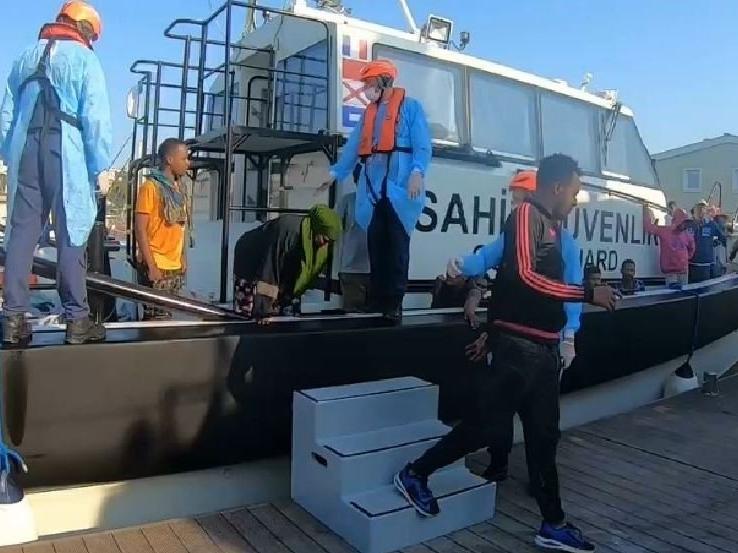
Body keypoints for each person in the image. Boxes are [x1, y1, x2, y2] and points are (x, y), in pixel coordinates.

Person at [395, 154, 617, 552]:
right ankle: (415, 473)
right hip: (519, 350)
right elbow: (526, 277)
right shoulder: (525, 217)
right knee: (485, 426)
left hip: (543, 350)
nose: (575, 200)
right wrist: (587, 293)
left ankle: (552, 523)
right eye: (574, 192)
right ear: (556, 187)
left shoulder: (555, 229)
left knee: (544, 436)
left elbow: (518, 284)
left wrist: (566, 336)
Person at [449, 169, 583, 483]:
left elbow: (573, 290)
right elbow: (485, 258)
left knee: (542, 423)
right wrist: (461, 263)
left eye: (518, 198)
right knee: (500, 412)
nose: (515, 204)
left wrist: (569, 335)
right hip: (513, 341)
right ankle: (499, 464)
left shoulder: (565, 243)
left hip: (544, 345)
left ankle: (539, 480)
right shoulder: (514, 234)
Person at [0, 1, 113, 345]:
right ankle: (77, 321)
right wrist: (99, 165)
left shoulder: (25, 56)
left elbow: (6, 115)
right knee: (71, 234)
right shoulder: (85, 59)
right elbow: (95, 118)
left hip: (25, 151)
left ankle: (13, 320)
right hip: (66, 152)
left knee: (21, 236)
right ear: (85, 30)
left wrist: (10, 155)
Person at [317, 59, 432, 321]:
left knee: (398, 250)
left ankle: (394, 304)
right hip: (372, 192)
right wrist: (334, 174)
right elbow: (353, 148)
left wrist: (417, 173)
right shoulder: (368, 114)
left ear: (384, 81)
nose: (366, 89)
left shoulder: (411, 108)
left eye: (369, 83)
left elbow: (423, 145)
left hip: (399, 191)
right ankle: (378, 301)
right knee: (376, 248)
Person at [232, 205, 342, 321]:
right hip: (251, 259)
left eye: (330, 242)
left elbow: (299, 276)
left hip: (279, 267)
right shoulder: (288, 231)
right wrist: (264, 311)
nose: (325, 244)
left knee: (285, 316)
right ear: (317, 229)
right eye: (325, 239)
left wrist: (286, 299)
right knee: (251, 315)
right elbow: (270, 270)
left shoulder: (312, 242)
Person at [135, 138, 190, 320]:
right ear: (169, 160)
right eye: (184, 159)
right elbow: (140, 229)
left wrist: (182, 258)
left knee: (167, 318)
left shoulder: (179, 189)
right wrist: (151, 266)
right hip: (157, 264)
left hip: (174, 266)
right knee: (155, 320)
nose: (188, 163)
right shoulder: (150, 188)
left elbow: (180, 227)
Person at [336, 184, 371, 313]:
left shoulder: (385, 201)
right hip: (351, 270)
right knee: (353, 315)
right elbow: (334, 227)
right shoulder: (347, 200)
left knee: (375, 316)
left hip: (377, 270)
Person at [643, 206, 694, 289]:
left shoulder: (687, 234)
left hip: (684, 272)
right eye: (683, 222)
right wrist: (646, 211)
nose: (685, 225)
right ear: (678, 221)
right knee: (672, 294)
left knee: (684, 293)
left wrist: (686, 258)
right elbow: (649, 228)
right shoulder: (665, 231)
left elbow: (692, 247)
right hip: (671, 273)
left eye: (686, 222)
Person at [687, 200, 725, 283]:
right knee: (693, 286)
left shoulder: (711, 224)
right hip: (692, 262)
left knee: (704, 286)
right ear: (695, 211)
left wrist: (717, 241)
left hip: (706, 263)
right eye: (699, 208)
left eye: (703, 208)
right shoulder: (689, 224)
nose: (701, 211)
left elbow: (722, 237)